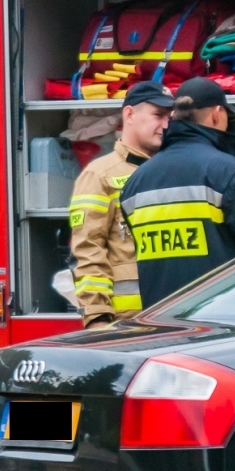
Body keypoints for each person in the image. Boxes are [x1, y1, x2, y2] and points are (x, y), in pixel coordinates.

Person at [119, 77, 235, 307]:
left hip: (161, 324)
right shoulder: (229, 172)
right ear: (216, 114)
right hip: (219, 323)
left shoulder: (135, 182)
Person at [69, 81, 174, 328]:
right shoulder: (98, 175)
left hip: (171, 316)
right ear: (129, 114)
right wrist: (97, 319)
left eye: (170, 117)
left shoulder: (170, 171)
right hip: (124, 324)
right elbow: (88, 249)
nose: (166, 125)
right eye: (158, 115)